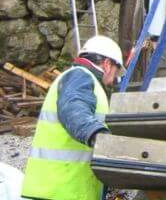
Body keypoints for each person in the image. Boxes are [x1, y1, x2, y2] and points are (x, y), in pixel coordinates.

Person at [21, 35, 125, 200]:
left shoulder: (83, 80)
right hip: (60, 191)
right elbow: (74, 110)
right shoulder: (79, 76)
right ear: (107, 64)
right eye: (116, 71)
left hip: (64, 190)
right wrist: (101, 138)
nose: (114, 79)